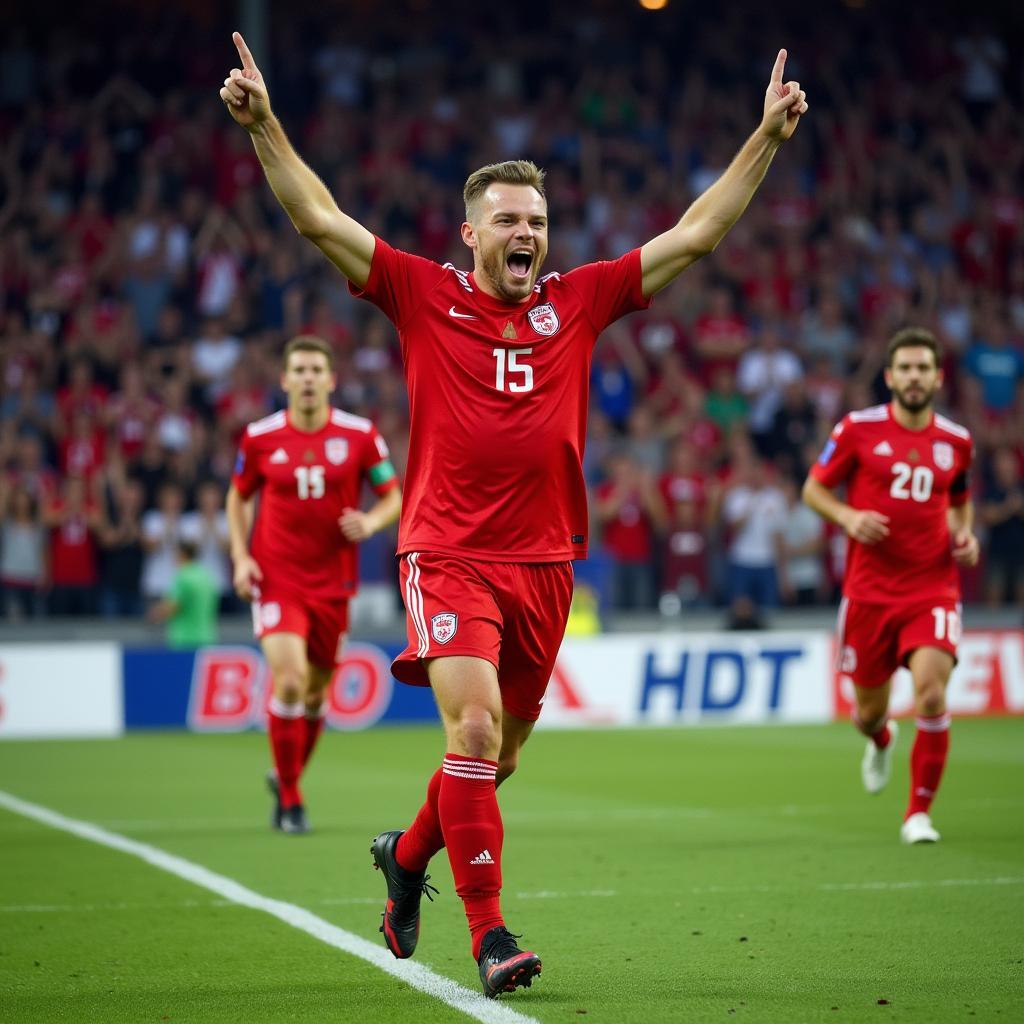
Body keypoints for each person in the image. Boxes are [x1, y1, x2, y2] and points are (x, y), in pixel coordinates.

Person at [220, 31, 807, 996]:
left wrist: (766, 141)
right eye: (507, 220)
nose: (526, 231)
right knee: (477, 735)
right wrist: (266, 126)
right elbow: (319, 220)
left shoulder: (579, 301)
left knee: (498, 760)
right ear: (472, 233)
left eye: (536, 218)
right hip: (446, 551)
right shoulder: (420, 293)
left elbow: (697, 235)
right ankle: (492, 937)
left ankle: (408, 858)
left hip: (545, 564)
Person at [803, 327, 979, 845]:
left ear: (938, 377)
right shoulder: (857, 429)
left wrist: (963, 533)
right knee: (867, 713)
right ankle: (880, 738)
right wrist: (848, 517)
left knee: (930, 694)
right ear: (889, 376)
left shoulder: (957, 441)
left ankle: (917, 815)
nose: (914, 376)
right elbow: (813, 489)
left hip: (932, 588)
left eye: (923, 367)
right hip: (869, 593)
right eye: (905, 368)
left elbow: (960, 499)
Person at [226, 335, 402, 834]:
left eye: (315, 370)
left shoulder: (362, 435)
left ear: (330, 379)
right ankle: (291, 799)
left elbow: (392, 495)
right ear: (284, 380)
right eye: (298, 370)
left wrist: (370, 523)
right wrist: (241, 557)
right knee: (289, 681)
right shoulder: (259, 437)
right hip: (277, 576)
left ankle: (285, 775)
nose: (306, 378)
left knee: (317, 695)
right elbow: (237, 499)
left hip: (334, 582)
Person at [147, 538, 220, 648]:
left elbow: (173, 605)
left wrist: (154, 614)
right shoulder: (206, 576)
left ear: (182, 554)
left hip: (185, 639)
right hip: (207, 636)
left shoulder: (182, 577)